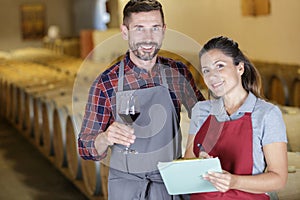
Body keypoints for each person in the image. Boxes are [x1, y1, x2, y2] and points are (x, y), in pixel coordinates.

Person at [78, 0, 205, 199]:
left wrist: (194, 152)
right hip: (127, 188)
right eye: (139, 29)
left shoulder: (177, 73)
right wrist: (105, 137)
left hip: (170, 183)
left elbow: (202, 115)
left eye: (155, 28)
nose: (148, 38)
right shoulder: (107, 82)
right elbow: (85, 148)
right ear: (125, 31)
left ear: (164, 30)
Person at [184, 36, 288, 200]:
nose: (212, 76)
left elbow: (278, 179)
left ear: (240, 68)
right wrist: (201, 163)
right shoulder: (201, 110)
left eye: (220, 66)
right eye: (206, 70)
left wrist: (234, 181)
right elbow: (187, 164)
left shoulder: (266, 114)